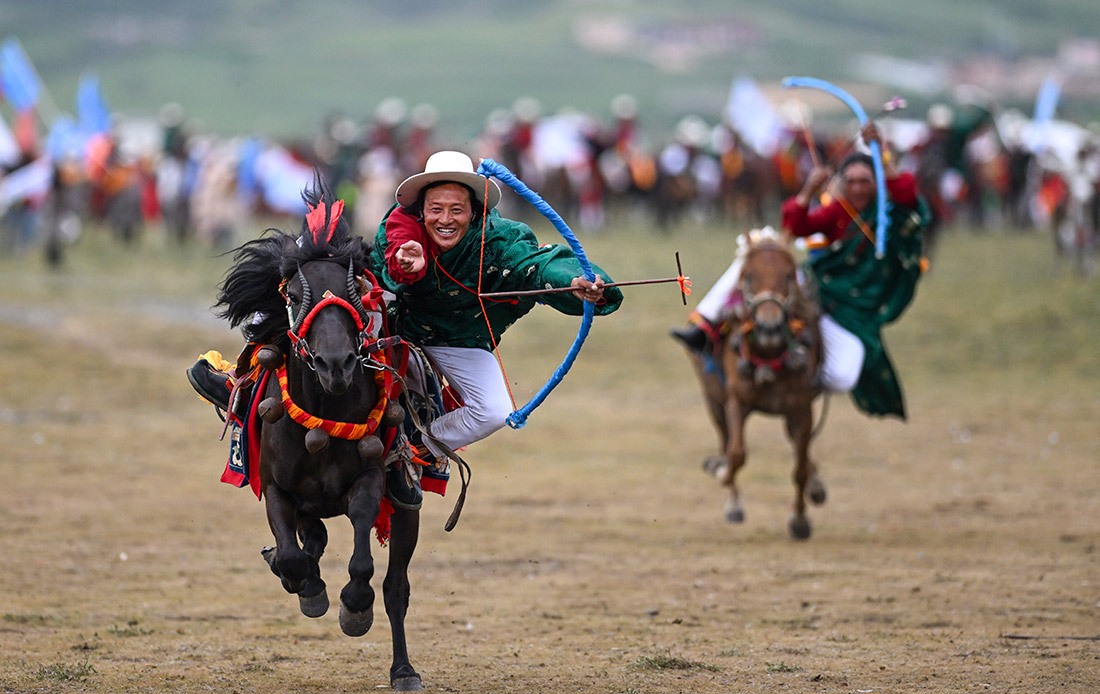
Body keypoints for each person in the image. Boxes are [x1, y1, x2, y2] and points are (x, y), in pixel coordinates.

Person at [372, 150, 624, 466]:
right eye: (436, 209)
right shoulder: (399, 228)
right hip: (394, 328)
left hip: (460, 337)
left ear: (475, 212)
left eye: (457, 210)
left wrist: (573, 281)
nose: (446, 219)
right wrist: (406, 265)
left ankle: (410, 449)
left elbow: (537, 265)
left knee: (493, 412)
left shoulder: (499, 239)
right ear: (421, 211)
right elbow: (383, 269)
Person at [671, 122, 928, 418]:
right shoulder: (839, 210)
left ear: (877, 183)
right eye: (851, 181)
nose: (857, 188)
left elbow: (908, 197)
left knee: (841, 377)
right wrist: (809, 190)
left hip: (855, 311)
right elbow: (794, 227)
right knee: (757, 249)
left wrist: (881, 154)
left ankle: (798, 389)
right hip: (819, 286)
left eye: (865, 181)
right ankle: (704, 324)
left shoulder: (889, 212)